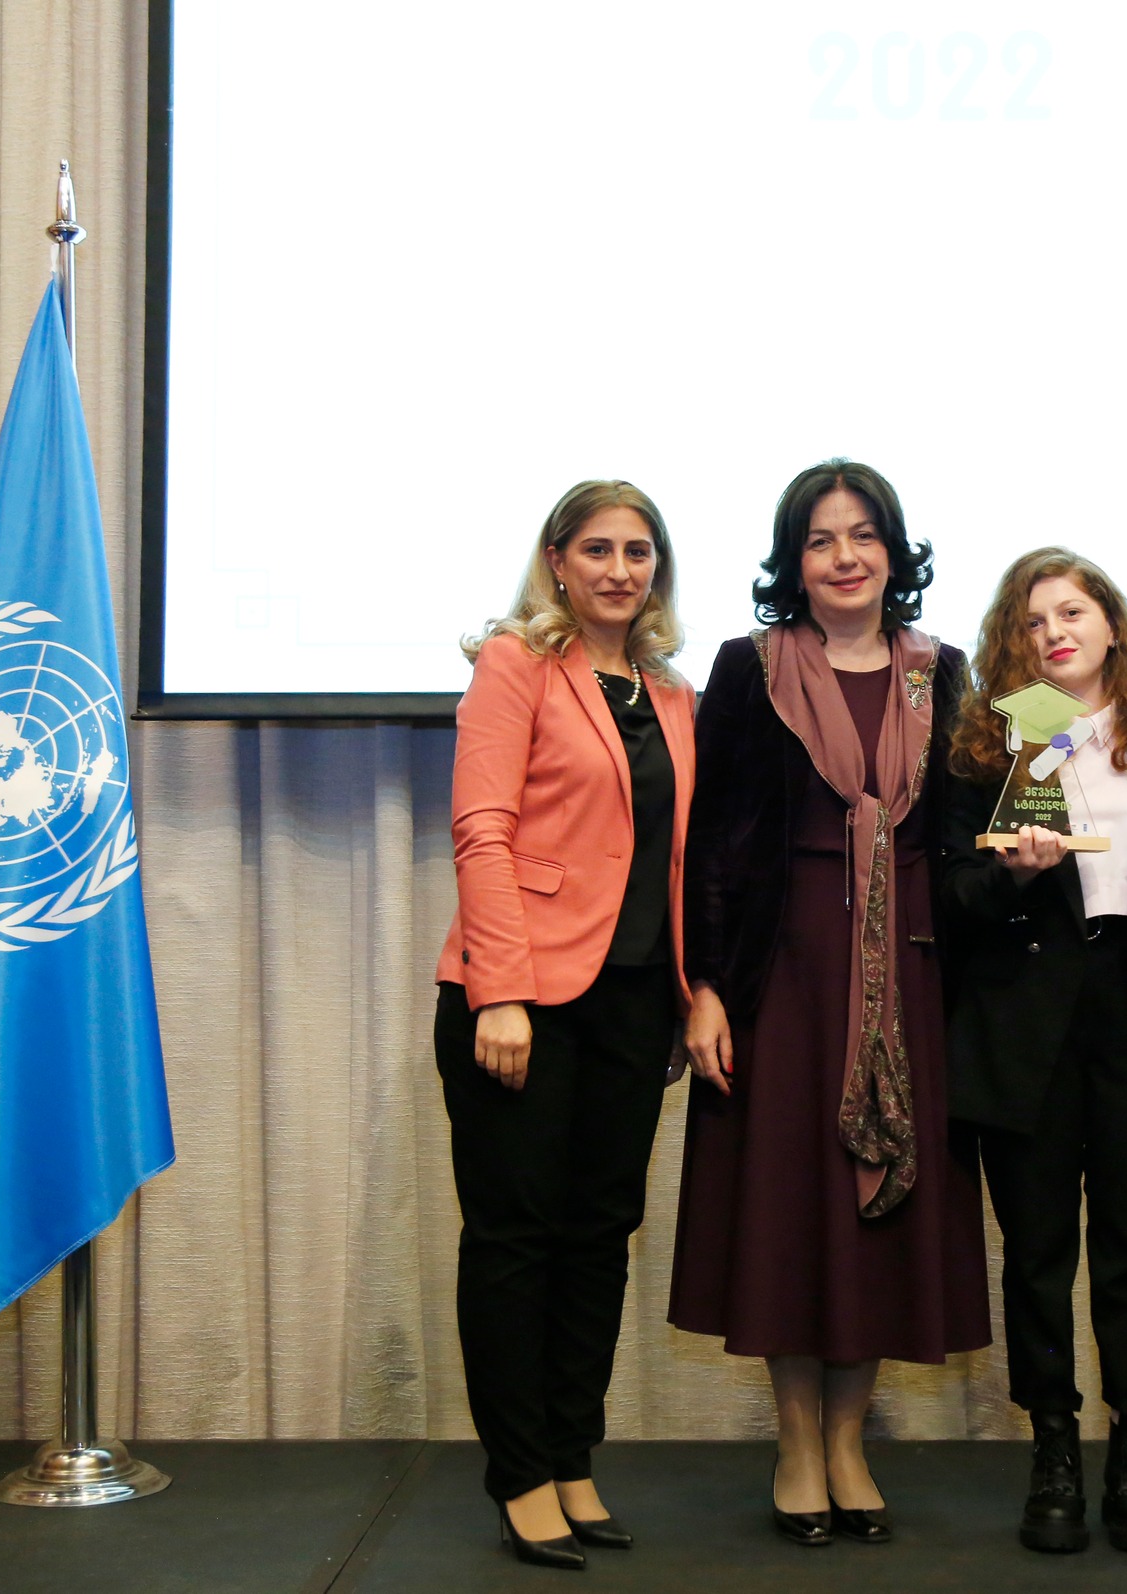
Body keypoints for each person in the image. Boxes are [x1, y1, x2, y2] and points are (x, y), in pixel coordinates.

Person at [668, 459, 990, 1547]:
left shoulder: (943, 674)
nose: (844, 557)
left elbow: (995, 810)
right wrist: (706, 986)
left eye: (863, 536)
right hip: (785, 976)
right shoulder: (749, 666)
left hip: (909, 975)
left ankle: (850, 1443)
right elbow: (711, 841)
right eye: (820, 539)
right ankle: (796, 1443)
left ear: (895, 554)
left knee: (880, 1218)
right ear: (792, 561)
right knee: (790, 1210)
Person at [432, 480, 697, 1570]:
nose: (619, 570)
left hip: (634, 1006)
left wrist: (689, 992)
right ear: (556, 561)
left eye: (638, 551)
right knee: (515, 1241)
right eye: (597, 549)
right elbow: (481, 831)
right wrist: (499, 989)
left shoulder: (671, 692)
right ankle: (520, 1475)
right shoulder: (514, 664)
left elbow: (672, 860)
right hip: (522, 1002)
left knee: (598, 1239)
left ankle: (573, 1458)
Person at [938, 549, 1127, 1555]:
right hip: (1025, 1028)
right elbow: (947, 899)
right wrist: (1012, 876)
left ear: (1111, 625)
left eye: (1071, 612)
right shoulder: (985, 752)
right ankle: (1052, 1453)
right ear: (1009, 645)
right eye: (1031, 621)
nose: (1053, 632)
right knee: (1037, 1257)